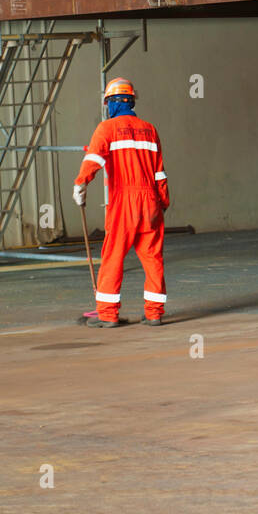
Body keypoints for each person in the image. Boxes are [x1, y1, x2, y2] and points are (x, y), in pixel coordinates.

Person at [72, 78, 170, 328]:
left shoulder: (106, 129)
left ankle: (107, 315)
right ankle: (155, 313)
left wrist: (80, 184)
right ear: (132, 101)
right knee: (152, 257)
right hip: (150, 201)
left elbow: (93, 158)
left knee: (113, 255)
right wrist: (163, 202)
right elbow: (159, 172)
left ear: (110, 103)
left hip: (124, 201)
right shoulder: (150, 129)